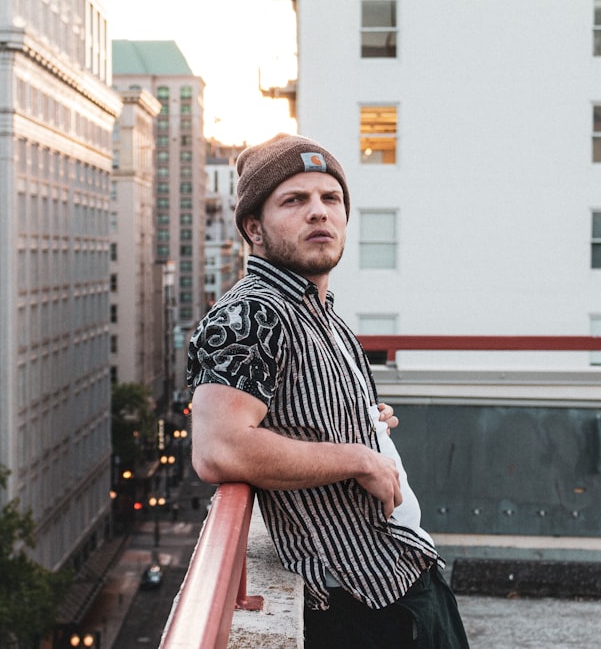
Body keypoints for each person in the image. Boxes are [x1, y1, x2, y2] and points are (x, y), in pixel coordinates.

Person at [186, 134, 469, 648]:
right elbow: (218, 449)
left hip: (407, 577)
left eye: (330, 199)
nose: (318, 212)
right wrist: (360, 459)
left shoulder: (322, 314)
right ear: (254, 228)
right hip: (361, 608)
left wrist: (363, 420)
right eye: (294, 201)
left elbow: (302, 414)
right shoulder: (250, 314)